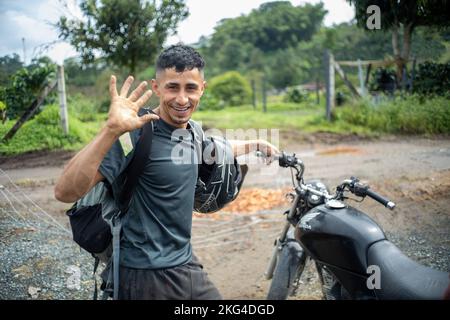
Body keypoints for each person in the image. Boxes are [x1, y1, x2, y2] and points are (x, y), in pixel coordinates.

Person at [54, 44, 279, 300]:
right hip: (142, 274)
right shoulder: (135, 133)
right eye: (173, 87)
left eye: (190, 88)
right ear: (156, 87)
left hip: (185, 263)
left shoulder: (192, 132)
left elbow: (215, 148)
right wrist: (110, 131)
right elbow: (64, 191)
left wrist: (255, 144)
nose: (182, 99)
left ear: (202, 89)